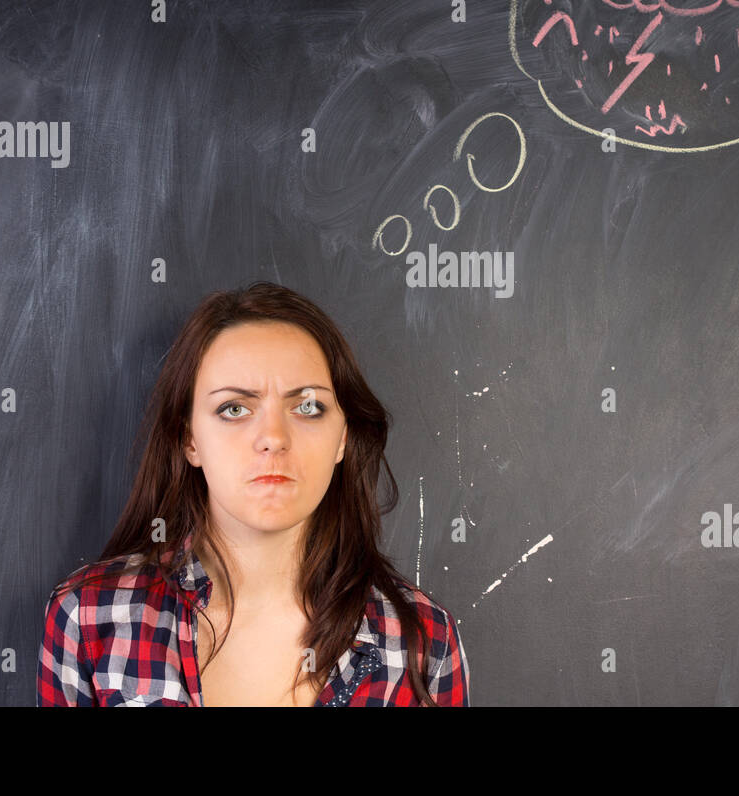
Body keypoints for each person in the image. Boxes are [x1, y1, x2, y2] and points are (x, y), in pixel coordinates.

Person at [37, 281, 469, 706]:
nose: (273, 438)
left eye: (307, 407)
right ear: (190, 440)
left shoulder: (424, 642)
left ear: (343, 438)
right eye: (234, 409)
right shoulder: (91, 617)